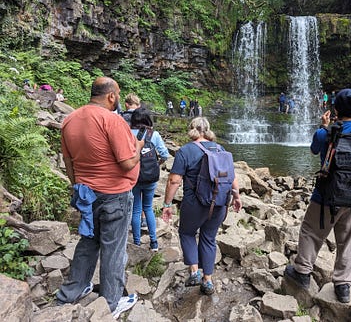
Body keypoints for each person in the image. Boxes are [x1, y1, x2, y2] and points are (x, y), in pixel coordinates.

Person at [56, 77, 143, 318]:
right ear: (112, 96)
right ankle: (112, 303)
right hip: (114, 195)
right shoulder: (111, 120)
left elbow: (68, 161)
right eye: (119, 94)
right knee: (113, 249)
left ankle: (71, 292)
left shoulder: (69, 119)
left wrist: (78, 186)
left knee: (87, 243)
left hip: (86, 194)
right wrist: (138, 146)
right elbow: (127, 163)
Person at [284, 88, 351, 304]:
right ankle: (343, 286)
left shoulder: (324, 133)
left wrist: (323, 127)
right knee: (348, 239)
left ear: (335, 109)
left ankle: (302, 272)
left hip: (325, 195)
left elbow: (315, 150)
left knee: (311, 232)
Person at [161, 117, 242, 295]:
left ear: (192, 130)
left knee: (187, 233)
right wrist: (236, 196)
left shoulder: (185, 151)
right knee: (209, 238)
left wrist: (167, 204)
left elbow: (174, 180)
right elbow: (232, 177)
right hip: (220, 202)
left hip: (195, 204)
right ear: (208, 130)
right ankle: (208, 281)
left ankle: (194, 271)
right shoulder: (221, 149)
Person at [130, 107, 170, 251]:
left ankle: (136, 243)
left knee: (136, 209)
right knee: (148, 208)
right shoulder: (154, 134)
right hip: (150, 177)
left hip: (134, 176)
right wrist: (157, 164)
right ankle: (153, 242)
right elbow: (165, 155)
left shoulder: (127, 133)